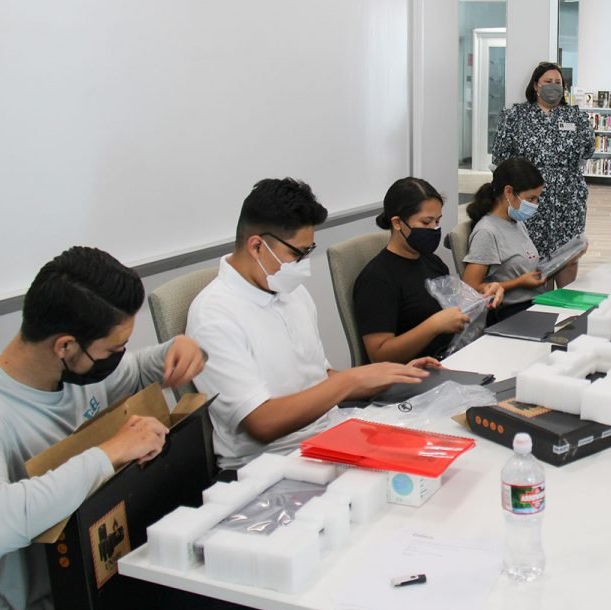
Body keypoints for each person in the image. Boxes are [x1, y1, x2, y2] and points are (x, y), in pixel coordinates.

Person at [0, 247, 274, 610]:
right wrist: (107, 454)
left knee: (279, 584)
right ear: (65, 345)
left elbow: (131, 371)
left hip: (121, 585)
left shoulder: (75, 372)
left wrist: (175, 350)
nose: (118, 356)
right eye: (113, 347)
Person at [187, 178, 434, 472]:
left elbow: (320, 378)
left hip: (329, 437)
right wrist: (350, 381)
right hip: (269, 466)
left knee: (433, 456)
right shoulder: (214, 316)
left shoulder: (290, 291)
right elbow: (262, 423)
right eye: (297, 254)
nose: (304, 265)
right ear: (256, 246)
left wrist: (388, 377)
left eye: (309, 250)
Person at [354, 177, 503, 363]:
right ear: (398, 223)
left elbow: (455, 304)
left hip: (451, 357)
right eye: (426, 223)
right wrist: (434, 325)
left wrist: (483, 294)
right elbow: (379, 355)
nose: (434, 229)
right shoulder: (378, 278)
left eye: (437, 221)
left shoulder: (432, 262)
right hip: (411, 374)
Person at [492, 62, 593, 286]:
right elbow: (500, 156)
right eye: (548, 81)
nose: (553, 86)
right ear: (536, 85)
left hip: (569, 198)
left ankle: (565, 303)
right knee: (532, 252)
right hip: (529, 198)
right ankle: (540, 305)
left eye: (558, 82)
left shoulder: (576, 117)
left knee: (568, 252)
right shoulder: (515, 115)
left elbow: (588, 149)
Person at [462, 157, 552, 325]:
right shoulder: (487, 232)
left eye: (537, 199)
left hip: (533, 304)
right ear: (508, 192)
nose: (535, 205)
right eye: (530, 199)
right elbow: (470, 287)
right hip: (510, 312)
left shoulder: (516, 222)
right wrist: (519, 283)